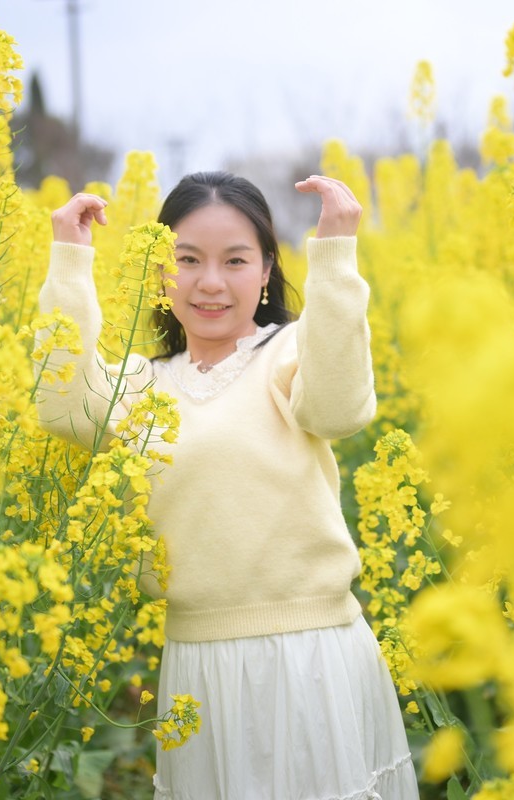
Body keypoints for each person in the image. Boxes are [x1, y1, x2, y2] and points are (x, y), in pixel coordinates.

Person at [35, 171, 419, 799]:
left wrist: (335, 258)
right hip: (196, 668)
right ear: (160, 272)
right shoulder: (143, 385)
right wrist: (71, 259)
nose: (210, 282)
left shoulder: (290, 353)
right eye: (186, 260)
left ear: (267, 270)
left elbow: (339, 408)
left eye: (235, 260)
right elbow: (62, 407)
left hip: (307, 656)